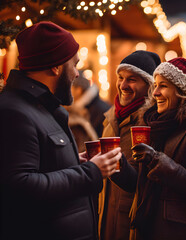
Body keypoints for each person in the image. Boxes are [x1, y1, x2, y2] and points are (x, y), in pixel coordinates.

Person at [0, 21, 121, 240]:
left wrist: (74, 161)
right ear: (55, 67)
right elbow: (19, 185)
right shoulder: (14, 112)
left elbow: (40, 167)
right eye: (74, 65)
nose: (77, 74)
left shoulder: (40, 108)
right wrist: (91, 172)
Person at [110, 55, 186, 240]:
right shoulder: (153, 123)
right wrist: (115, 163)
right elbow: (134, 183)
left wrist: (156, 160)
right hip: (147, 225)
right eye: (156, 85)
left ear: (181, 91)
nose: (155, 93)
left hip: (179, 231)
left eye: (164, 86)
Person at [98, 50, 161, 240]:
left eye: (132, 79)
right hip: (106, 216)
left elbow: (147, 182)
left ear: (149, 86)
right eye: (120, 77)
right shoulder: (111, 118)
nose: (123, 85)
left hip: (132, 224)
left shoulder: (152, 122)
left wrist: (117, 165)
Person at [71, 70, 111, 137]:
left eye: (71, 88)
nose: (69, 91)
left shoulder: (101, 111)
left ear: (78, 90)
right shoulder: (79, 108)